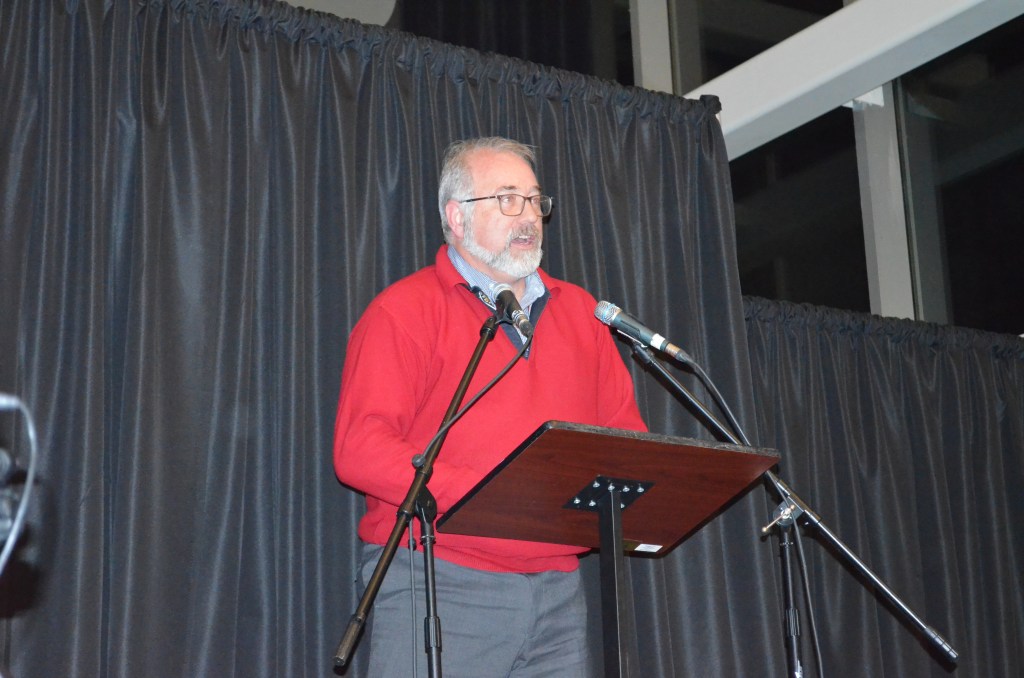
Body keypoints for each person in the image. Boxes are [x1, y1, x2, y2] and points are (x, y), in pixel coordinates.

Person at [334, 136, 647, 676]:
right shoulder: (403, 311)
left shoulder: (582, 314)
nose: (528, 215)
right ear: (456, 217)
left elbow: (624, 442)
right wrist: (491, 494)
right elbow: (360, 449)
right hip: (441, 577)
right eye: (507, 199)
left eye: (534, 199)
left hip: (558, 592)